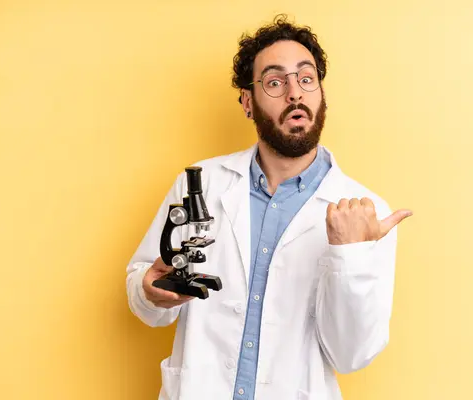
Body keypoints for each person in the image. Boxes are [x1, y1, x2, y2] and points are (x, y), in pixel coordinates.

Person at [126, 14, 412, 400]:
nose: (295, 92)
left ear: (320, 93)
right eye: (275, 82)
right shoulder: (202, 184)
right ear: (248, 101)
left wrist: (350, 257)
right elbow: (146, 290)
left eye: (306, 79)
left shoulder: (365, 213)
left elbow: (352, 355)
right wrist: (149, 292)